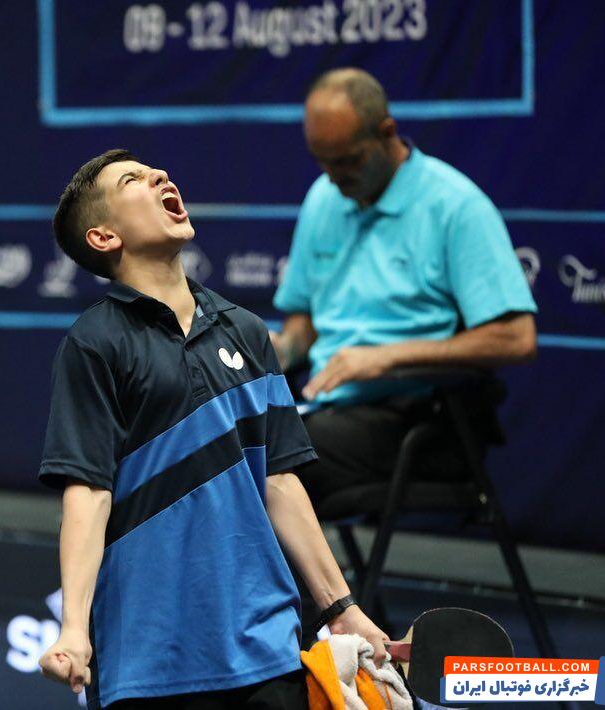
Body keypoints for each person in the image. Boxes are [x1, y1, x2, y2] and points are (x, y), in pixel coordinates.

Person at [36, 149, 387, 710]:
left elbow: (279, 480)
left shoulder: (246, 331)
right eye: (133, 180)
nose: (160, 175)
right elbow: (89, 492)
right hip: (149, 656)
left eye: (155, 171)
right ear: (103, 237)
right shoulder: (95, 343)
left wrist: (341, 609)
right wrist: (74, 628)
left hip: (265, 643)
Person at [271, 68, 538, 506]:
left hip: (417, 419)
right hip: (325, 409)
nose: (334, 177)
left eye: (347, 161)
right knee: (220, 440)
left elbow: (517, 337)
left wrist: (387, 357)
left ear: (387, 133)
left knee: (269, 457)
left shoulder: (455, 206)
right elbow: (305, 323)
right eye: (323, 161)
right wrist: (281, 350)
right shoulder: (323, 198)